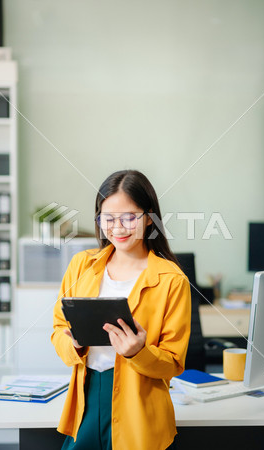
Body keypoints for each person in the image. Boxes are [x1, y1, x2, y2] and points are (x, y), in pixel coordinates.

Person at [51, 169, 191, 450]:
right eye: (108, 219)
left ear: (149, 218)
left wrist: (138, 352)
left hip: (140, 406)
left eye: (129, 217)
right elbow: (57, 330)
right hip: (87, 397)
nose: (118, 228)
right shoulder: (82, 265)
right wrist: (75, 342)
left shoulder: (172, 280)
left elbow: (173, 364)